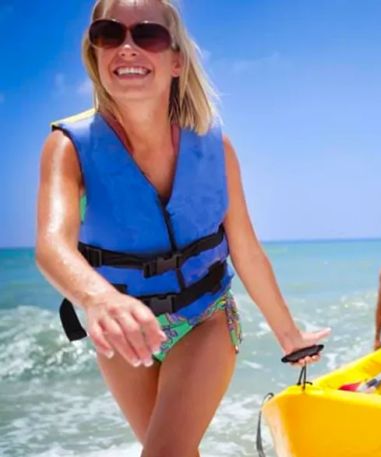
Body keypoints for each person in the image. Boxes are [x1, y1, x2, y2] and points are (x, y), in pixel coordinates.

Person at [34, 1, 329, 455]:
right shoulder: (67, 148)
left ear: (176, 60)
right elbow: (52, 245)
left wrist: (290, 337)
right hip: (123, 334)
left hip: (204, 317)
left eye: (147, 35)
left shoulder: (216, 148)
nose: (127, 48)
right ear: (94, 53)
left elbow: (245, 249)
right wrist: (99, 299)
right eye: (110, 34)